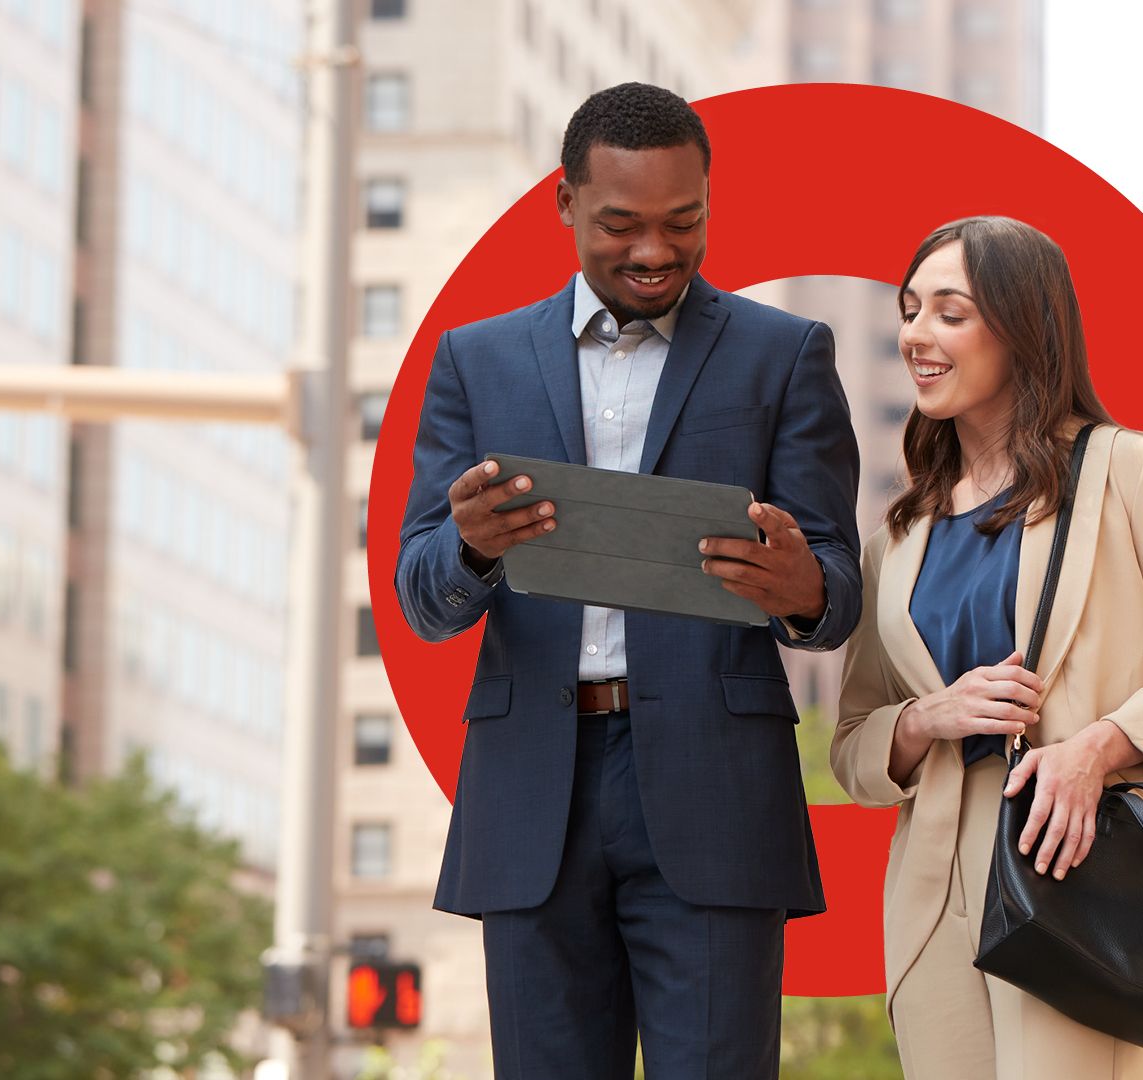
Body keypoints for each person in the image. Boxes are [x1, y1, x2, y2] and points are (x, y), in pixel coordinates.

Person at [394, 83, 861, 1080]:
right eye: (622, 225)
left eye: (682, 222)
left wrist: (801, 588)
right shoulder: (476, 363)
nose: (655, 252)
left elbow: (836, 595)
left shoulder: (784, 358)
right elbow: (422, 594)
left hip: (715, 793)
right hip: (533, 799)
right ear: (564, 205)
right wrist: (472, 548)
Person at [830, 215, 1143, 1080]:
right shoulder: (897, 538)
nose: (917, 334)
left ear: (1023, 326)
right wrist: (930, 716)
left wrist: (1097, 751)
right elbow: (852, 746)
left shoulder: (1132, 471)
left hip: (1071, 863)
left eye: (950, 312)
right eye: (910, 311)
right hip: (930, 888)